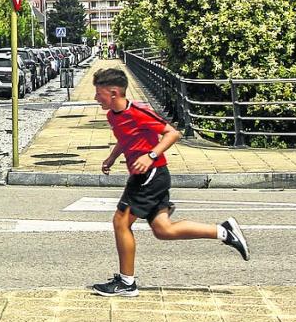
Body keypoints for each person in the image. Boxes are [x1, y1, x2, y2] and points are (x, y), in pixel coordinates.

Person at [91, 68, 249, 297]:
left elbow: (172, 133)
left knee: (120, 222)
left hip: (151, 175)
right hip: (148, 176)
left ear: (114, 92)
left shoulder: (138, 112)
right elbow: (126, 139)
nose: (96, 98)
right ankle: (224, 232)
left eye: (99, 94)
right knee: (163, 230)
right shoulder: (112, 115)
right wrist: (112, 157)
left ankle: (127, 283)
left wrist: (150, 155)